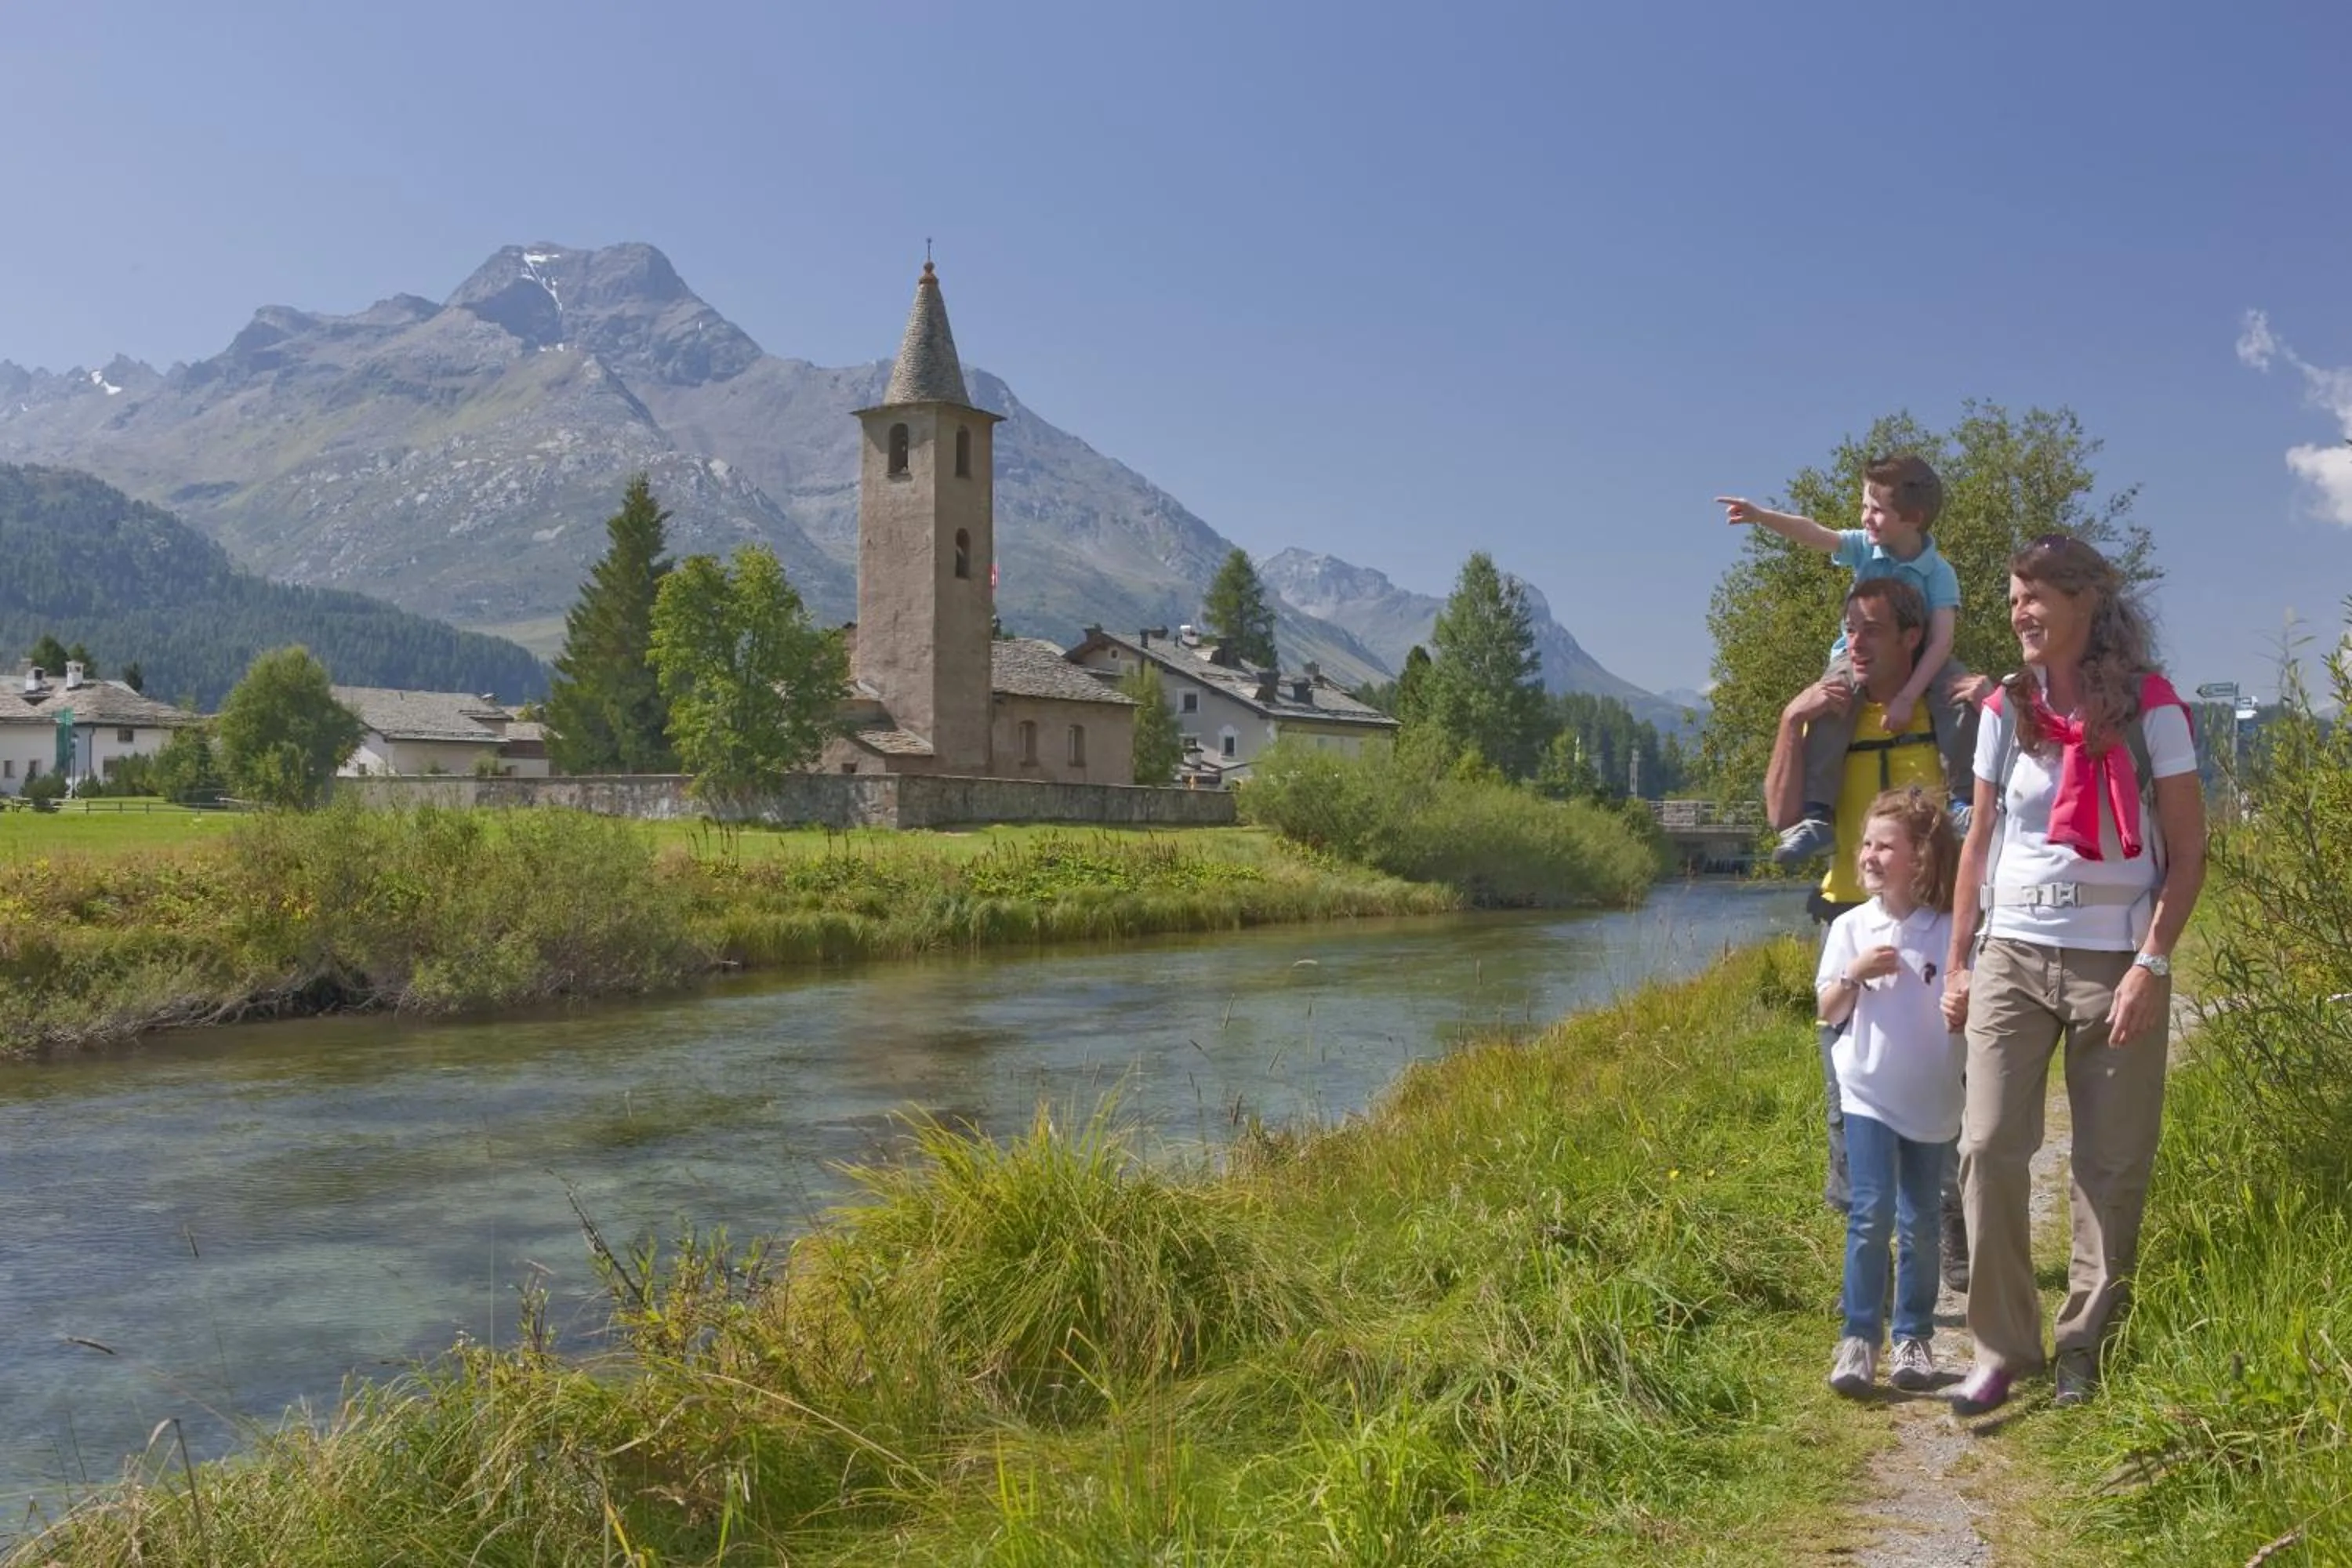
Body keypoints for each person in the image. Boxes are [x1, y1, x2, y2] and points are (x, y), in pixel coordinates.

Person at [1940, 535, 2207, 1415]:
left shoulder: (2152, 709)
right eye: (2013, 596)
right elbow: (1979, 841)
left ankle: (2084, 1345)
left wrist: (2152, 963)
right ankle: (2002, 1346)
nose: (2019, 611)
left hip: (2116, 960)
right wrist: (1959, 961)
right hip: (2012, 952)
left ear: (2087, 602)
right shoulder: (2004, 708)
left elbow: (2189, 853)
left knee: (2110, 1162)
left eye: (2036, 596)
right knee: (1986, 1146)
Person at [1764, 576, 1973, 1294]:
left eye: (1872, 629)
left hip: (1937, 926)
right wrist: (1790, 719)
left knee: (1943, 1084)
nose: (1856, 643)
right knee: (1844, 1096)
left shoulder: (1945, 708)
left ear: (1913, 637)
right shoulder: (1830, 713)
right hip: (1849, 923)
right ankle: (1869, 1248)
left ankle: (1947, 1219)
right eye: (1849, 628)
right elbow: (1780, 815)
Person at [1722, 454, 1985, 865]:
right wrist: (1761, 517)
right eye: (1864, 506)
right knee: (1831, 701)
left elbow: (1941, 641)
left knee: (1958, 696)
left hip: (1921, 655)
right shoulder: (1865, 547)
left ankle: (1962, 802)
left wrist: (1908, 697)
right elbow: (1815, 533)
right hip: (1855, 656)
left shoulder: (1938, 572)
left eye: (1876, 510)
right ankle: (1817, 814)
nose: (1865, 518)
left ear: (1913, 518)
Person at [1816, 786, 1965, 1396]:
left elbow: (1970, 995)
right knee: (1871, 1212)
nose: (1869, 856)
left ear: (1919, 857)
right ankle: (1858, 1338)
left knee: (1921, 1220)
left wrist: (1963, 1001)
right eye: (1866, 844)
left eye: (1884, 846)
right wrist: (1853, 975)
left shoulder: (1950, 929)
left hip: (1932, 1096)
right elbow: (1828, 1010)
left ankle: (1914, 1337)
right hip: (1866, 1090)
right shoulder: (1851, 926)